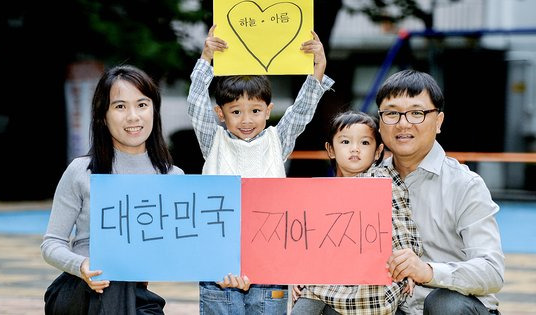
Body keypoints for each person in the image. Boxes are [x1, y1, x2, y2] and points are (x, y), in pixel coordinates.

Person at [187, 25, 334, 314]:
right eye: (236, 111)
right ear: (221, 113)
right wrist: (206, 58)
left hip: (271, 263)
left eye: (255, 111)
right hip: (221, 264)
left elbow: (302, 111)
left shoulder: (276, 140)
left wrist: (318, 67)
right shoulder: (212, 139)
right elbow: (195, 104)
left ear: (268, 110)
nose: (246, 120)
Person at [41, 64, 184, 314]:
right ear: (103, 116)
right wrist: (83, 265)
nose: (133, 116)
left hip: (135, 297)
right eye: (120, 106)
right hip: (79, 292)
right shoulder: (82, 171)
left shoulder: (172, 178)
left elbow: (182, 249)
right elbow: (52, 244)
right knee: (111, 268)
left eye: (142, 104)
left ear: (154, 110)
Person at [376, 70, 505, 314]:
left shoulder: (465, 185)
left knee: (444, 304)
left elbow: (492, 271)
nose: (403, 123)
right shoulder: (367, 182)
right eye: (392, 113)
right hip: (393, 307)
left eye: (417, 113)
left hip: (455, 307)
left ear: (438, 122)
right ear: (380, 122)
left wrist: (429, 272)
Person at [291, 111, 423, 314]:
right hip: (328, 275)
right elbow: (309, 240)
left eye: (364, 143)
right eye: (345, 142)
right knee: (303, 302)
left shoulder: (382, 181)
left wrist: (407, 267)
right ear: (331, 149)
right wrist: (300, 272)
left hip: (372, 275)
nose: (354, 149)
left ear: (378, 151)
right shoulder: (322, 193)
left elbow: (400, 225)